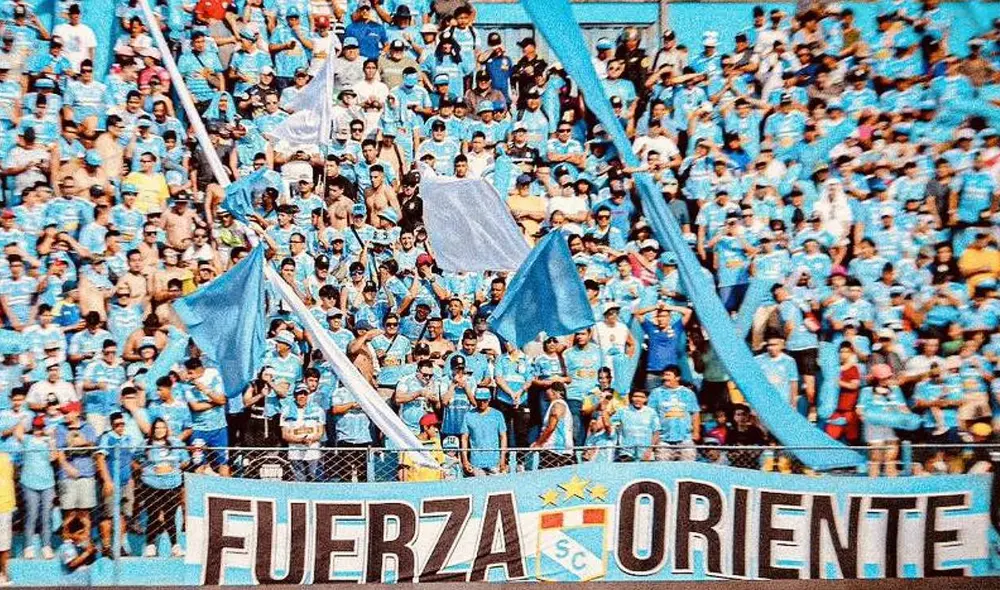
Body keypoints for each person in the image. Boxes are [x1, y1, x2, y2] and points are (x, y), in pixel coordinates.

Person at [138, 418, 188, 557]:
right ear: (153, 430)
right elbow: (136, 459)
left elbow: (185, 460)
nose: (160, 431)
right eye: (157, 428)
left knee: (170, 516)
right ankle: (150, 545)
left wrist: (172, 469)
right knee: (153, 514)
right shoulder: (146, 445)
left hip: (171, 484)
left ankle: (175, 546)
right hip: (151, 484)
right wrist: (147, 470)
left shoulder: (175, 443)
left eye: (162, 428)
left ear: (166, 429)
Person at [649, 365, 700, 461]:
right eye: (664, 375)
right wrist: (654, 437)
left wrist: (696, 432)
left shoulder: (688, 393)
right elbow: (651, 415)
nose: (665, 378)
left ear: (677, 378)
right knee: (663, 469)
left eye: (668, 375)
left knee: (687, 469)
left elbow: (695, 413)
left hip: (685, 438)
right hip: (663, 439)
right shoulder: (656, 393)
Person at [281, 387, 325, 481]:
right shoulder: (287, 411)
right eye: (299, 394)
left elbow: (320, 432)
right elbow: (285, 434)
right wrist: (300, 440)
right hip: (295, 452)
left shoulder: (318, 410)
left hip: (313, 452)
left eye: (305, 394)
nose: (302, 396)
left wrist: (311, 440)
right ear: (295, 396)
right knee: (299, 479)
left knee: (314, 478)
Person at [459, 388, 507, 476]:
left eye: (484, 400)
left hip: (494, 461)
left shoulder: (497, 415)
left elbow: (503, 437)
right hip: (476, 462)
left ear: (489, 399)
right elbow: (464, 438)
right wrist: (465, 460)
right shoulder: (468, 415)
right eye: (479, 400)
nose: (482, 403)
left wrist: (503, 458)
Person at [530, 382, 574, 468]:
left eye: (549, 389)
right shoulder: (554, 405)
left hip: (556, 451)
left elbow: (551, 427)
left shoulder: (558, 405)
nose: (547, 392)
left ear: (555, 392)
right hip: (554, 450)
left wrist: (538, 443)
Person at [610, 390, 660, 462]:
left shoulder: (651, 412)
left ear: (646, 399)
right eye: (635, 396)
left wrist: (650, 450)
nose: (638, 399)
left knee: (646, 473)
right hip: (626, 452)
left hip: (645, 453)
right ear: (631, 398)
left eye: (641, 397)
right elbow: (610, 424)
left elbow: (656, 432)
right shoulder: (622, 411)